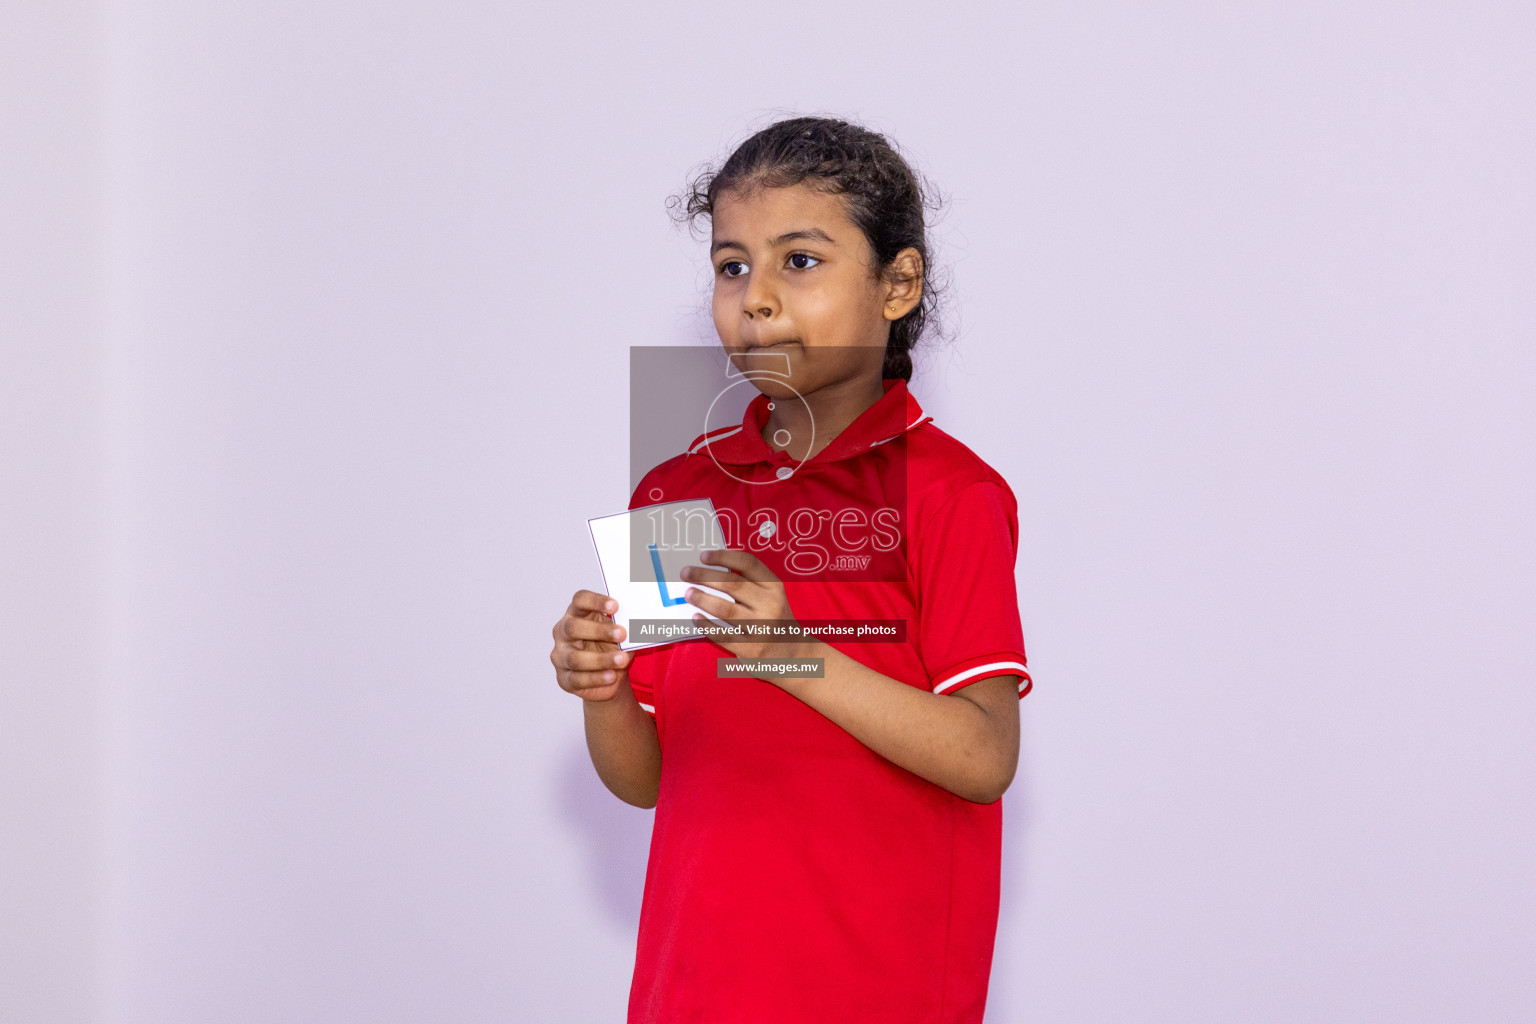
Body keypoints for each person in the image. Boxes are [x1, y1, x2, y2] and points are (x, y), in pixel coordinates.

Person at [550, 116, 1031, 1024]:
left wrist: (788, 652)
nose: (756, 298)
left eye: (798, 261)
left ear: (898, 283)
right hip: (689, 988)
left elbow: (982, 755)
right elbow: (650, 779)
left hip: (874, 990)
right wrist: (603, 690)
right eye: (733, 266)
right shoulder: (674, 490)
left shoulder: (949, 493)